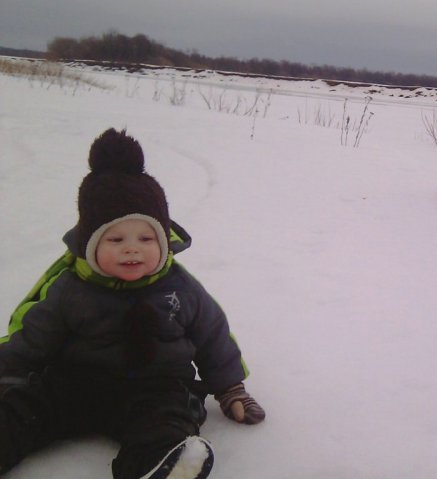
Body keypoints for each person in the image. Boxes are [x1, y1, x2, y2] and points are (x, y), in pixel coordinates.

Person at [0, 128, 265, 479]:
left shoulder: (181, 288)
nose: (132, 248)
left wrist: (231, 389)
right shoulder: (69, 286)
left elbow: (214, 336)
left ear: (164, 241)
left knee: (168, 419)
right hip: (76, 384)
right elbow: (30, 334)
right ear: (89, 243)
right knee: (25, 407)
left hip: (155, 387)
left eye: (145, 237)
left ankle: (161, 465)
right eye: (115, 238)